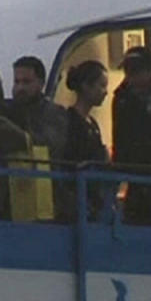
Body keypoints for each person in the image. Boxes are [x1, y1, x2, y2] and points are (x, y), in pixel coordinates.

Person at [0, 56, 68, 221]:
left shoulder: (54, 113)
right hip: (6, 200)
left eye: (26, 82)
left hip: (43, 202)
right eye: (16, 82)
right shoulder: (7, 111)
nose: (19, 88)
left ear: (41, 84)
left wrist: (14, 124)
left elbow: (47, 144)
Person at [113, 46, 151, 225]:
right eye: (128, 71)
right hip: (135, 174)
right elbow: (119, 138)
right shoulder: (122, 98)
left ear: (150, 70)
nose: (131, 77)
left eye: (136, 71)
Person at [58, 61, 110, 222]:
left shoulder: (92, 123)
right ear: (86, 86)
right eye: (101, 86)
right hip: (79, 196)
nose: (105, 92)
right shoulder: (70, 121)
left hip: (94, 195)